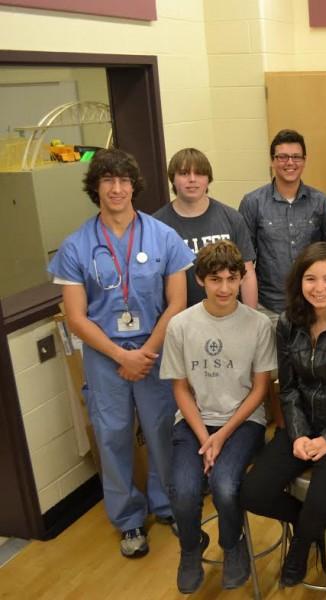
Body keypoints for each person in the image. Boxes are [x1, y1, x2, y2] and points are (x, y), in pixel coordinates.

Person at [47, 148, 195, 558]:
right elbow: (76, 317)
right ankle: (129, 520)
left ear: (134, 186)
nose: (116, 188)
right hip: (104, 354)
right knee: (112, 437)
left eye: (124, 180)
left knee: (163, 431)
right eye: (107, 181)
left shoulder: (163, 236)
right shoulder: (76, 245)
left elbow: (177, 303)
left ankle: (167, 505)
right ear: (95, 187)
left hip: (155, 349)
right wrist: (120, 355)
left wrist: (145, 352)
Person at [240, 242, 326, 587]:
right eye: (310, 278)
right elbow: (286, 389)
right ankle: (319, 525)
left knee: (319, 498)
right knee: (253, 493)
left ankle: (300, 548)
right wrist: (301, 435)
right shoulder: (288, 322)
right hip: (302, 426)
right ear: (299, 282)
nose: (319, 288)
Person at [160, 241, 275, 593]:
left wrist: (221, 436)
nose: (224, 288)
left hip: (243, 421)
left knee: (225, 486)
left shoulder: (258, 324)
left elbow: (260, 390)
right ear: (200, 280)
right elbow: (180, 389)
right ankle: (191, 548)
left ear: (242, 279)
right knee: (182, 491)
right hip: (195, 420)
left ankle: (232, 542)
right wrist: (204, 435)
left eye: (231, 278)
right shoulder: (180, 325)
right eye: (215, 279)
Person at [239, 129, 326, 317]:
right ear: (272, 160)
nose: (290, 163)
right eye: (282, 157)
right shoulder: (253, 203)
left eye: (296, 157)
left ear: (304, 161)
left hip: (313, 305)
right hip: (268, 307)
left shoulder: (322, 202)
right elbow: (244, 261)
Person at [154, 147, 258, 308]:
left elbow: (248, 273)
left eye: (199, 173)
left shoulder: (232, 218)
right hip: (180, 321)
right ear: (172, 179)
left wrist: (251, 317)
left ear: (208, 179)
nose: (192, 179)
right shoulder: (157, 225)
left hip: (228, 316)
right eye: (184, 173)